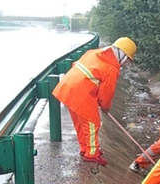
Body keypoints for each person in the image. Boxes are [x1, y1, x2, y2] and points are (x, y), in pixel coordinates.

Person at [52, 37, 136, 165]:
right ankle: (92, 154)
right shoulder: (111, 68)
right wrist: (105, 107)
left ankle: (85, 148)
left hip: (67, 87)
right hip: (81, 93)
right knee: (92, 123)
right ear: (122, 55)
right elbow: (106, 93)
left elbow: (76, 65)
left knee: (80, 123)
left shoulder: (93, 53)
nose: (125, 63)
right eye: (127, 60)